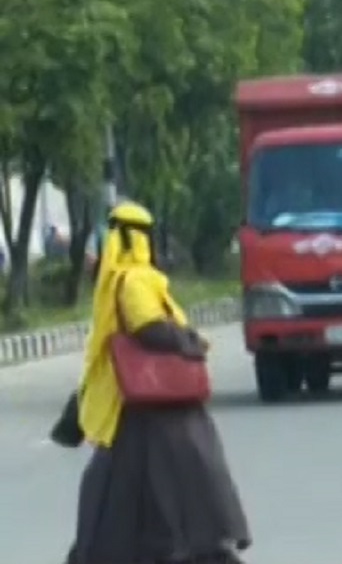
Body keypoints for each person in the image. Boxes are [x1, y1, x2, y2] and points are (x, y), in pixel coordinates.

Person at [64, 201, 250, 564]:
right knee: (180, 492)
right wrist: (189, 342)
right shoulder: (133, 279)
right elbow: (143, 328)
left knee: (127, 502)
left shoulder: (122, 279)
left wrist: (185, 340)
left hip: (140, 408)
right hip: (151, 406)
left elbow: (139, 327)